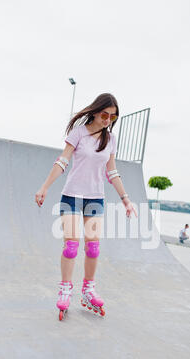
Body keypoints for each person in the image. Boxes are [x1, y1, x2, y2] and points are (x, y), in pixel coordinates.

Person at [35, 93, 137, 320]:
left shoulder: (110, 139)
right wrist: (44, 187)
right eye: (104, 114)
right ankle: (65, 289)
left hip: (95, 199)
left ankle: (88, 290)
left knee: (93, 247)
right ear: (95, 111)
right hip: (71, 196)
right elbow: (62, 161)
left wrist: (126, 199)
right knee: (71, 246)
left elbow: (112, 172)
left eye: (113, 116)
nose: (108, 119)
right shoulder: (78, 133)